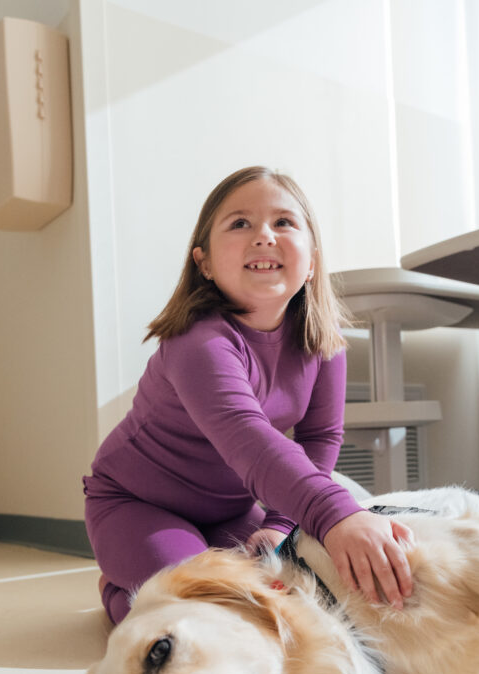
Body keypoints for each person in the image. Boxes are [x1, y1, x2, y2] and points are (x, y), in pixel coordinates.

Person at [83, 165, 413, 626]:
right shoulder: (197, 342)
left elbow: (319, 438)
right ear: (205, 263)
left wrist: (277, 524)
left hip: (228, 510)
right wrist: (339, 517)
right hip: (136, 503)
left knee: (288, 593)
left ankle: (146, 578)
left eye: (283, 222)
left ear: (312, 260)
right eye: (240, 223)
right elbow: (250, 440)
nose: (264, 235)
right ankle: (121, 592)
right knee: (212, 608)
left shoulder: (323, 341)